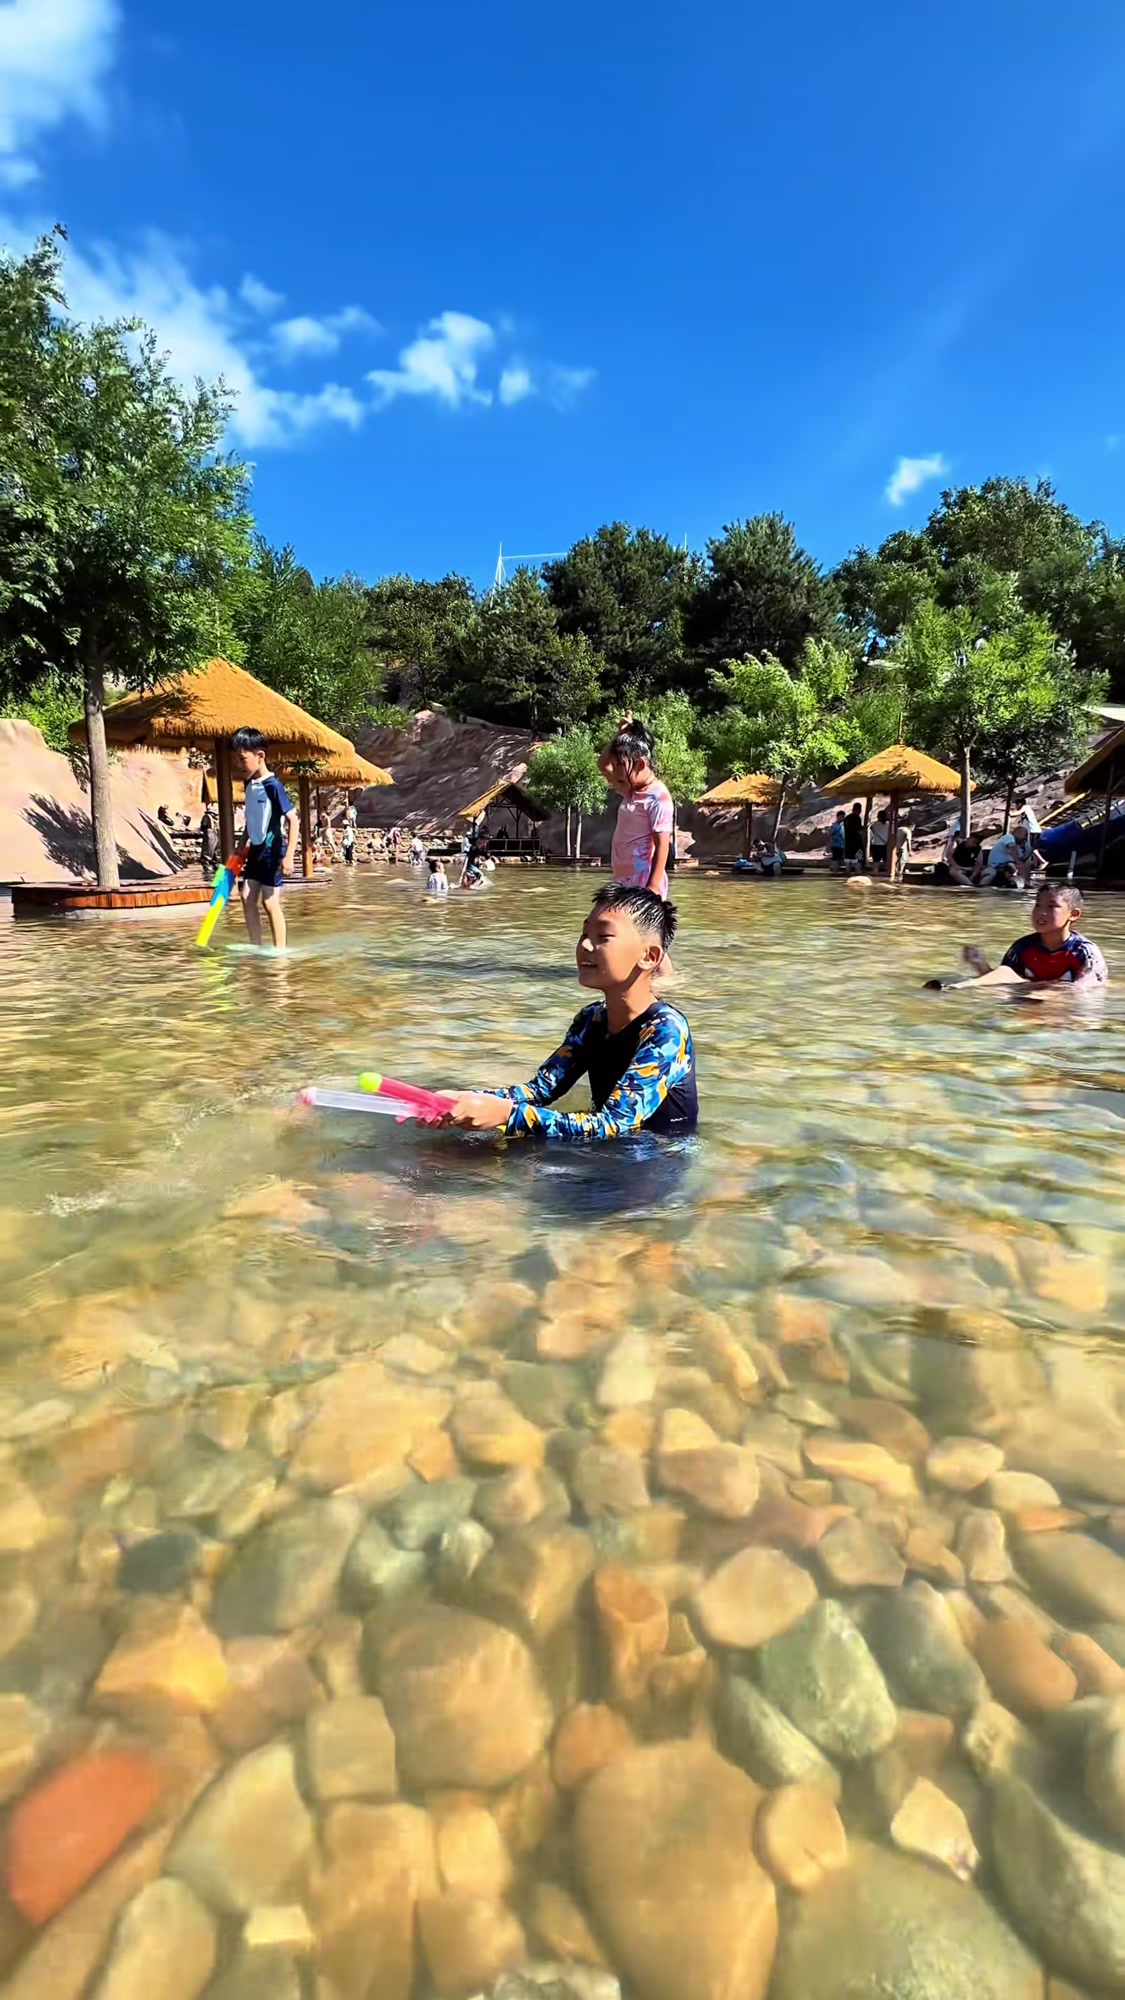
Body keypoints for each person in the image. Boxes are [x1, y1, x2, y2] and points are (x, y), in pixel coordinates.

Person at [421, 884, 697, 1141]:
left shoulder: (666, 1030)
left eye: (603, 936)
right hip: (603, 1147)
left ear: (649, 956)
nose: (585, 946)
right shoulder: (592, 1020)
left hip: (657, 1158)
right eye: (584, 934)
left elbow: (615, 1123)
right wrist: (464, 1100)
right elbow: (541, 1090)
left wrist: (506, 1115)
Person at [956, 885, 1108, 987]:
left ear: (1073, 915)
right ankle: (957, 987)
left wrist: (1041, 992)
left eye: (1051, 906)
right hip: (1028, 998)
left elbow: (1084, 992)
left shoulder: (1085, 953)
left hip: (1060, 1007)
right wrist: (981, 966)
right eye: (1037, 905)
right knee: (1005, 971)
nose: (1041, 912)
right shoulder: (1022, 947)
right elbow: (1005, 981)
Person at [230, 726, 297, 949]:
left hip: (272, 850)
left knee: (269, 903)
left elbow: (293, 820)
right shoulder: (249, 786)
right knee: (246, 896)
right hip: (256, 851)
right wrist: (240, 847)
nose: (239, 765)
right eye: (236, 760)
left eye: (242, 759)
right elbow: (251, 821)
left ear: (260, 756)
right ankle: (256, 946)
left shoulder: (273, 786)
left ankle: (280, 951)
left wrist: (288, 858)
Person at [599, 716, 675, 897]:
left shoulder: (658, 798)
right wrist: (621, 735)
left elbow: (662, 845)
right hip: (622, 881)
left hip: (643, 881)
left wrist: (653, 889)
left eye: (619, 766)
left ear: (640, 764)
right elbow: (602, 764)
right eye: (615, 765)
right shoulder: (630, 790)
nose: (614, 771)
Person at [843, 802, 865, 870]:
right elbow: (859, 830)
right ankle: (857, 872)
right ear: (859, 810)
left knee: (848, 858)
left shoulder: (846, 818)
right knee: (858, 858)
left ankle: (847, 872)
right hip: (856, 841)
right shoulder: (857, 818)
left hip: (847, 841)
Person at [199, 807, 220, 876]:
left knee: (210, 851)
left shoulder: (209, 817)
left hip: (211, 834)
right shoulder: (210, 817)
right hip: (212, 834)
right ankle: (210, 866)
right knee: (210, 851)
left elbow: (203, 826)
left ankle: (211, 866)